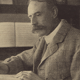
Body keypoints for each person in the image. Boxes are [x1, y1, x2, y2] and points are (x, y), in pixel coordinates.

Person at [0, 0, 80, 80]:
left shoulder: (77, 42)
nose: (33, 22)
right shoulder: (45, 38)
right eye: (30, 17)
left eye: (38, 15)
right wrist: (5, 66)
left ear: (54, 12)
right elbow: (24, 58)